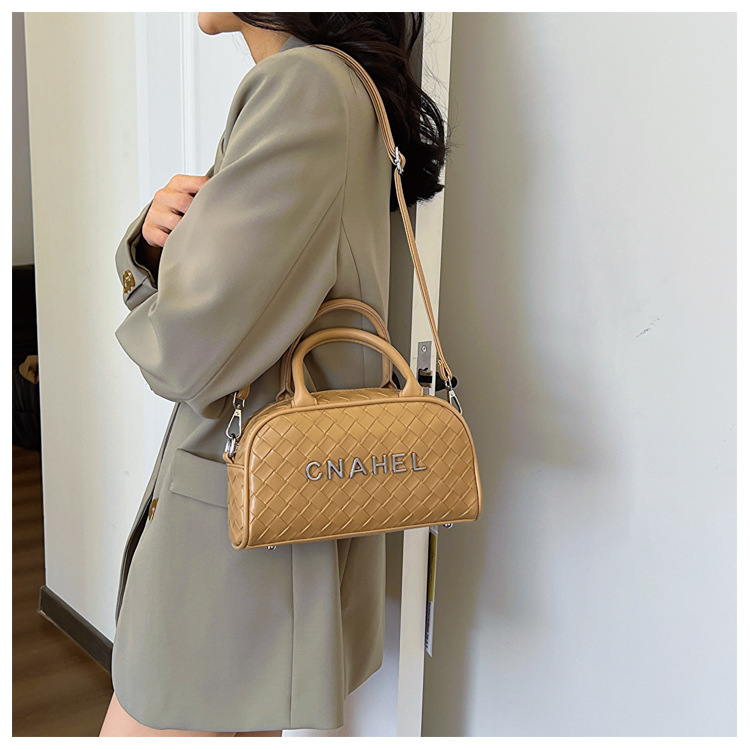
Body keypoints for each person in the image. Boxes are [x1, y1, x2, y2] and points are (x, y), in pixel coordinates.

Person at [99, 11, 450, 737]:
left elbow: (185, 352)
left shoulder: (304, 86)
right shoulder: (336, 86)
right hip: (266, 541)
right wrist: (164, 243)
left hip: (235, 558)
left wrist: (145, 263)